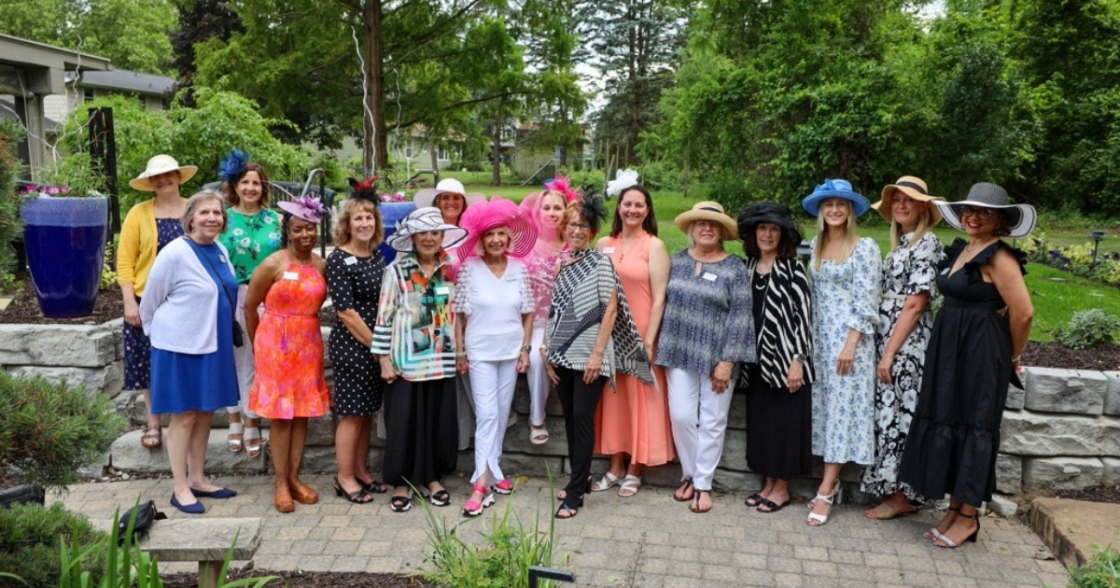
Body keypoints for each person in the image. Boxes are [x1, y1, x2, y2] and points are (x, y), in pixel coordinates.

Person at [900, 183, 1035, 548]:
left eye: (984, 212)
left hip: (981, 351)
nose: (973, 217)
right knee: (953, 419)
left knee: (975, 424)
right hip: (951, 349)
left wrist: (1011, 356)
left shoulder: (999, 258)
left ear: (1000, 220)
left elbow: (1023, 314)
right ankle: (954, 508)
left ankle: (968, 517)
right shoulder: (965, 250)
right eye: (968, 211)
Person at [544, 196, 652, 520]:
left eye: (583, 225)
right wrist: (547, 351)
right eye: (572, 224)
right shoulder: (561, 264)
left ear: (592, 231)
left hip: (592, 356)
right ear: (564, 229)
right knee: (570, 420)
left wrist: (596, 354)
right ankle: (582, 478)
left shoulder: (600, 262)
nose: (577, 230)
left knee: (581, 417)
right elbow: (555, 312)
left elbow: (610, 308)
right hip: (562, 353)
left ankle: (575, 492)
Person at [139, 190, 239, 514]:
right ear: (191, 218)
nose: (212, 218)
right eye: (205, 212)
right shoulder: (175, 253)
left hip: (212, 343)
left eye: (217, 213)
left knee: (206, 412)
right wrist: (160, 335)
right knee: (185, 417)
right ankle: (179, 487)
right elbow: (151, 300)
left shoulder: (220, 249)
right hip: (180, 347)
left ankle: (197, 478)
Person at [657, 201, 755, 514]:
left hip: (718, 357)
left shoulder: (734, 267)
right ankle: (689, 472)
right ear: (691, 229)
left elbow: (742, 316)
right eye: (701, 223)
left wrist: (728, 361)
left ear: (722, 231)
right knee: (681, 416)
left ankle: (703, 484)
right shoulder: (677, 261)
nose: (707, 228)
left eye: (713, 225)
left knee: (713, 420)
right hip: (679, 350)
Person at [371, 207, 468, 513]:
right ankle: (401, 482)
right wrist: (384, 360)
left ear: (442, 236)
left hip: (440, 362)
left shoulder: (449, 270)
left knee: (437, 425)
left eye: (435, 232)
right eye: (423, 232)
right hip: (405, 364)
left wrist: (460, 353)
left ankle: (431, 479)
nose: (429, 238)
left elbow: (455, 316)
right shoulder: (396, 271)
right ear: (412, 237)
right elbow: (383, 318)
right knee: (404, 425)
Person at [862, 176, 945, 520]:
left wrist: (889, 353)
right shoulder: (904, 244)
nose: (900, 205)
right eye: (896, 200)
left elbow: (915, 303)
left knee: (899, 416)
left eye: (908, 200)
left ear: (923, 206)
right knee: (889, 414)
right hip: (892, 337)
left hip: (906, 344)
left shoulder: (927, 244)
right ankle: (894, 489)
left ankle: (902, 495)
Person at [802, 179, 881, 527]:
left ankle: (826, 490)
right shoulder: (817, 246)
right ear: (821, 210)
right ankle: (827, 483)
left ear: (850, 211)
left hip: (850, 345)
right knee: (828, 411)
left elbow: (867, 300)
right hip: (821, 342)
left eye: (841, 204)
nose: (834, 209)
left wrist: (850, 344)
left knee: (842, 414)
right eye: (828, 204)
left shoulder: (863, 248)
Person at [245, 195, 331, 514]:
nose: (305, 235)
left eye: (310, 229)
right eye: (298, 229)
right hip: (275, 345)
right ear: (288, 231)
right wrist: (259, 344)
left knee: (302, 414)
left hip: (307, 343)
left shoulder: (321, 265)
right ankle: (279, 482)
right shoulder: (273, 263)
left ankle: (295, 478)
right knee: (282, 416)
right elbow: (250, 306)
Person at [453, 197, 537, 517]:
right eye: (489, 235)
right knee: (487, 414)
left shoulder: (519, 269)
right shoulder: (469, 270)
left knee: (501, 414)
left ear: (509, 237)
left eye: (501, 233)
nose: (496, 240)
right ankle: (480, 483)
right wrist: (460, 351)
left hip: (511, 351)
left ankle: (497, 473)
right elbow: (458, 315)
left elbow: (528, 313)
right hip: (479, 352)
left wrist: (525, 349)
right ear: (480, 239)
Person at [591, 177, 673, 497]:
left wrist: (648, 341)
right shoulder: (603, 244)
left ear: (647, 210)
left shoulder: (653, 245)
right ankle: (615, 465)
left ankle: (636, 468)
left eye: (639, 204)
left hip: (640, 334)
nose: (632, 209)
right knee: (613, 401)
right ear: (619, 207)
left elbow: (659, 297)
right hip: (609, 336)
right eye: (627, 204)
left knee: (639, 401)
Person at [737, 202, 814, 514]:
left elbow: (805, 319)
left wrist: (798, 360)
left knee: (784, 426)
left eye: (773, 229)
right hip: (755, 365)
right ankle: (768, 484)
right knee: (763, 426)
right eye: (762, 228)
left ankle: (781, 489)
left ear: (783, 235)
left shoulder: (793, 269)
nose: (767, 234)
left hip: (785, 364)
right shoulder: (747, 267)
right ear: (754, 234)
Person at [119, 154, 197, 450]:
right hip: (145, 300)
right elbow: (125, 260)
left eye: (169, 174)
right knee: (145, 361)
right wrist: (129, 302)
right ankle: (153, 422)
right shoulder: (138, 213)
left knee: (183, 360)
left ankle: (184, 418)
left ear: (179, 176)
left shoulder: (194, 209)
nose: (163, 179)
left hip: (186, 303)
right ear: (151, 182)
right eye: (156, 176)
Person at [326, 178, 389, 504]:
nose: (364, 223)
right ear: (347, 224)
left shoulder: (377, 257)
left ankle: (362, 471)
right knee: (352, 413)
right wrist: (379, 347)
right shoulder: (338, 260)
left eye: (369, 218)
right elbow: (347, 312)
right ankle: (345, 477)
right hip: (353, 347)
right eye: (358, 218)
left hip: (375, 346)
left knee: (366, 411)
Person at [217, 149, 281, 458]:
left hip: (267, 297)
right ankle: (233, 416)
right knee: (233, 356)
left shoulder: (275, 219)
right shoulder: (223, 217)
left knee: (257, 358)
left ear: (263, 187)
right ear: (235, 186)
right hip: (232, 294)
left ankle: (253, 417)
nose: (250, 188)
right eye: (245, 182)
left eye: (256, 183)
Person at [414, 178, 486, 450]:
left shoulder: (474, 235)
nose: (451, 203)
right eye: (445, 197)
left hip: (471, 312)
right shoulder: (427, 234)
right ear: (437, 202)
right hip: (436, 316)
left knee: (470, 377)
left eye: (457, 198)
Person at [518, 177, 578, 445]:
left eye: (557, 208)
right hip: (527, 321)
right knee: (533, 357)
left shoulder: (574, 246)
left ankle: (545, 418)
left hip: (563, 322)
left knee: (546, 358)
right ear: (537, 211)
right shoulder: (524, 245)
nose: (552, 213)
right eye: (547, 208)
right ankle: (533, 418)